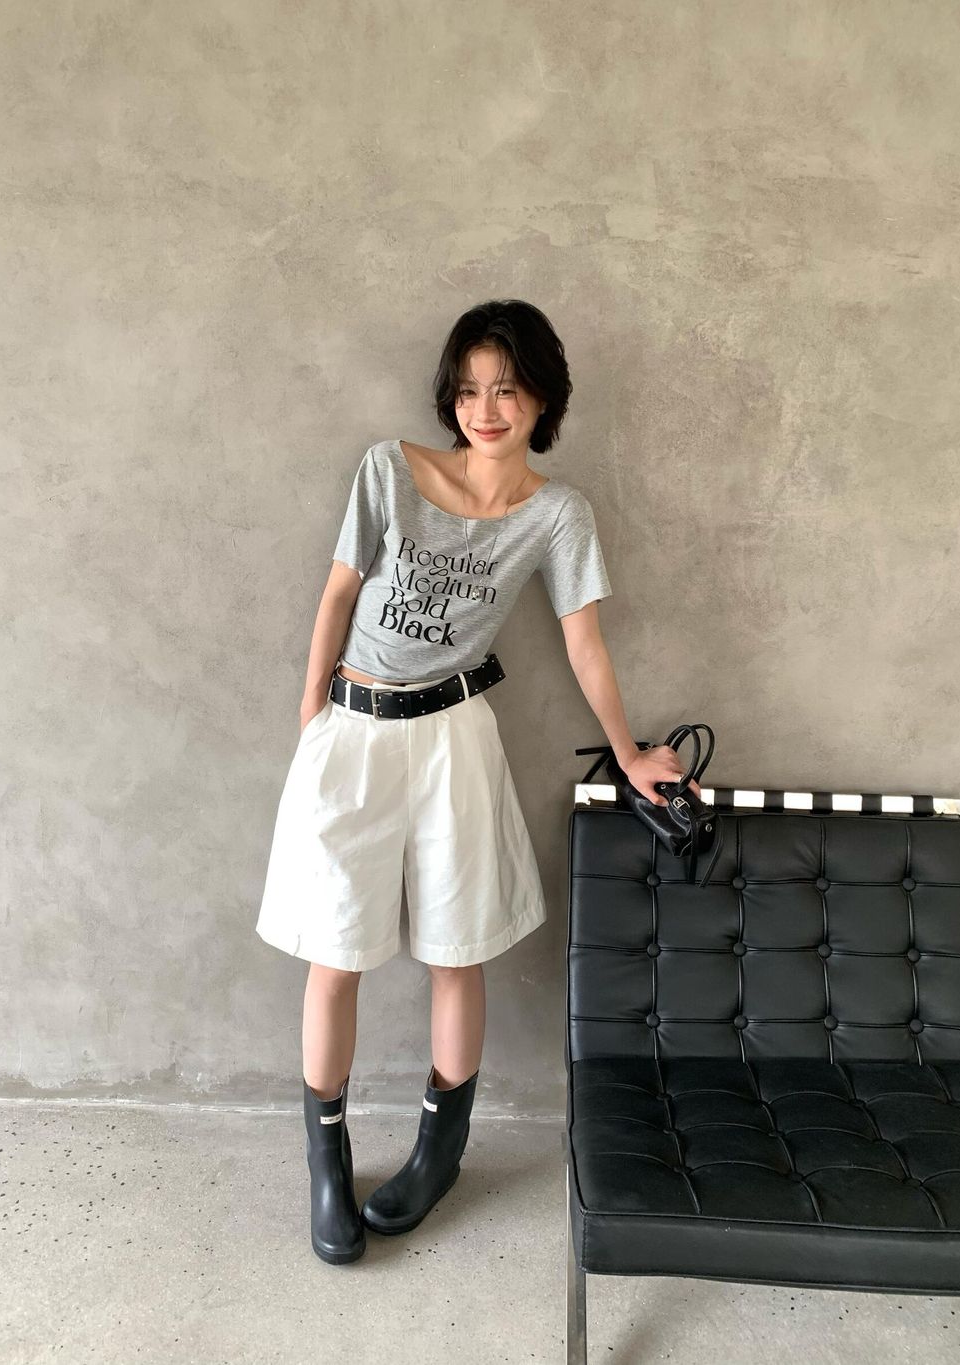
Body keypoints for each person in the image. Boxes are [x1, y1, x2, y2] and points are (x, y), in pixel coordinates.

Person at [255, 298, 701, 1265]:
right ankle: (326, 1159)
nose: (484, 410)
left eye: (505, 389)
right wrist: (312, 719)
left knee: (456, 951)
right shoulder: (390, 469)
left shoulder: (558, 514)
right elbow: (338, 593)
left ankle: (438, 1151)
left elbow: (585, 644)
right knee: (336, 951)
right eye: (467, 391)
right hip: (355, 729)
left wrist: (628, 752)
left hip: (454, 737)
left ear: (542, 397)